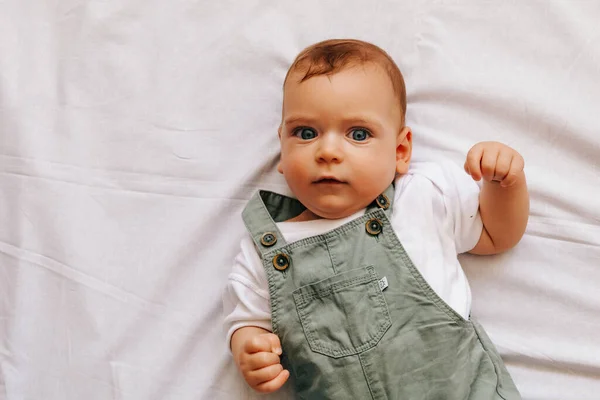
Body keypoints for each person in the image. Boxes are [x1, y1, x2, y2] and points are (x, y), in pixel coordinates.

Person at [223, 38, 528, 399]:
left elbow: (497, 235)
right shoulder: (266, 252)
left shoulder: (422, 198)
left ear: (400, 151)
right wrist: (250, 347)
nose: (328, 152)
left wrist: (505, 184)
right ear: (282, 150)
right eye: (306, 133)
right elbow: (247, 320)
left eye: (358, 134)